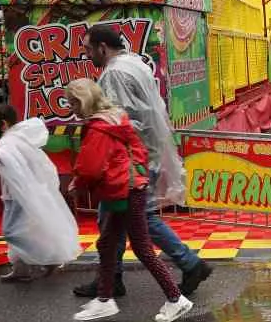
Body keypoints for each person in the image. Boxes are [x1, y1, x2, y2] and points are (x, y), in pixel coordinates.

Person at [73, 24, 212, 300]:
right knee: (120, 220)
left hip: (130, 160)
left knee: (129, 219)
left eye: (89, 49)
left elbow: (122, 120)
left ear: (103, 47)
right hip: (143, 154)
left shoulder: (114, 75)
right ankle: (112, 279)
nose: (87, 55)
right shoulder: (135, 63)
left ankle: (186, 264)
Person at [65, 78, 193, 322]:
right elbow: (136, 150)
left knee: (140, 247)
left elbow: (90, 167)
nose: (72, 107)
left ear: (83, 101)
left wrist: (78, 185)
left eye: (73, 102)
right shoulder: (114, 119)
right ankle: (104, 299)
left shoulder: (98, 127)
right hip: (127, 187)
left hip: (123, 189)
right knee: (108, 245)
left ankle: (176, 299)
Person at [0, 103, 81, 282]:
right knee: (23, 231)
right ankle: (21, 269)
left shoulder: (9, 140)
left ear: (4, 124)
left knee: (12, 232)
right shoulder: (16, 137)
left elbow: (1, 155)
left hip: (18, 196)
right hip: (16, 194)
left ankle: (49, 258)